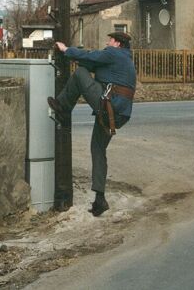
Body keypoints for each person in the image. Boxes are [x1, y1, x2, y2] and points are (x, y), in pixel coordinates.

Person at [47, 31, 136, 217]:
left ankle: (62, 107)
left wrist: (65, 50)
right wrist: (79, 58)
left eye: (110, 40)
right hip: (117, 113)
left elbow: (89, 56)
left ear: (118, 43)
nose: (107, 41)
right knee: (98, 148)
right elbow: (93, 62)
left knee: (80, 74)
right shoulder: (124, 59)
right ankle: (100, 199)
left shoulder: (113, 53)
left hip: (110, 106)